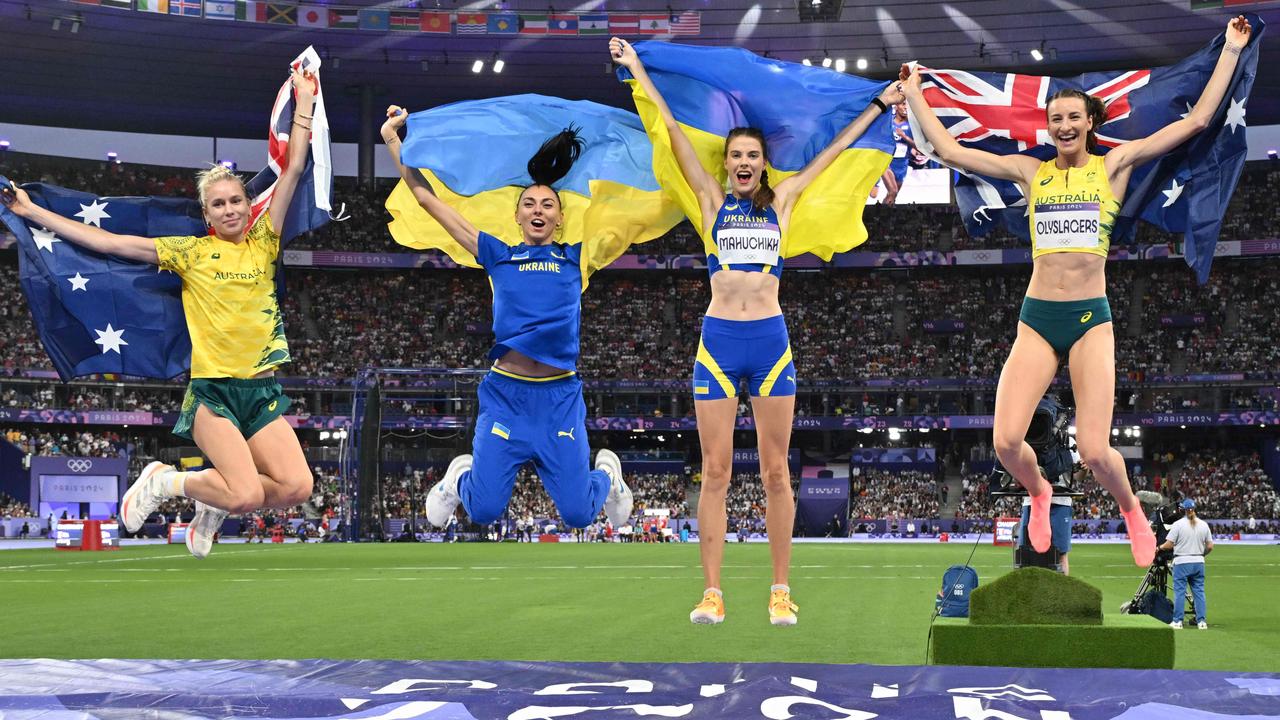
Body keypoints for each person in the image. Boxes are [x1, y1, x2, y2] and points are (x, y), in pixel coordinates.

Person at [900, 15, 1253, 568]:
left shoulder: (1114, 165)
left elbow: (1199, 120)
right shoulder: (1029, 172)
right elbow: (949, 151)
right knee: (1005, 443)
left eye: (1073, 118)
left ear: (1090, 123)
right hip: (1037, 317)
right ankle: (1039, 493)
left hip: (1091, 319)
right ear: (1048, 128)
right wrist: (916, 92)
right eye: (1055, 119)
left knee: (1093, 450)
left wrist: (1230, 49)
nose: (1064, 126)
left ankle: (1132, 510)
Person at [612, 37, 903, 627]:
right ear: (725, 163)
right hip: (717, 345)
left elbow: (833, 150)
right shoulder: (710, 201)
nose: (743, 163)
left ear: (763, 164)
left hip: (770, 344)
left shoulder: (785, 202)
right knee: (714, 471)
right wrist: (638, 69)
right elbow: (671, 129)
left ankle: (779, 590)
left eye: (752, 156)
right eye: (735, 156)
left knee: (776, 472)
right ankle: (712, 594)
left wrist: (880, 105)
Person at [0, 68, 320, 561]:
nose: (231, 209)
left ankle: (210, 507)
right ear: (207, 214)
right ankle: (165, 481)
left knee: (298, 487)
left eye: (236, 200)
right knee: (247, 494)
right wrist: (31, 212)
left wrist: (305, 101)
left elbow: (294, 168)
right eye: (219, 204)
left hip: (263, 389)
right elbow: (108, 240)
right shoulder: (188, 252)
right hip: (215, 393)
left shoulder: (264, 243)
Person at [379, 105, 633, 537]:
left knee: (578, 515)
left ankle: (607, 473)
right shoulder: (497, 254)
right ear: (516, 217)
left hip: (558, 400)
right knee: (483, 511)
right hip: (506, 397)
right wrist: (391, 139)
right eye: (529, 203)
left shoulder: (577, 257)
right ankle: (460, 477)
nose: (538, 209)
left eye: (547, 204)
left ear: (560, 217)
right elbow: (427, 199)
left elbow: (629, 210)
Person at [1161, 499, 1213, 629]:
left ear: (1182, 510)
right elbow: (1210, 546)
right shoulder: (1203, 525)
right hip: (1198, 562)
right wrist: (1201, 554)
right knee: (1199, 592)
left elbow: (1169, 544)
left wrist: (1159, 548)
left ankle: (1178, 621)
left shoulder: (1178, 524)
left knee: (1179, 592)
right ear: (1194, 509)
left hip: (1182, 561)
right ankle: (1201, 621)